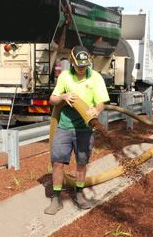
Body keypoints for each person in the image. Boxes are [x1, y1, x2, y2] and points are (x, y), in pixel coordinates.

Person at [44, 45, 110, 215]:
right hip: (65, 126)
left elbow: (101, 101)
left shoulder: (95, 78)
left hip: (85, 128)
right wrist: (64, 97)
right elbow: (52, 99)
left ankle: (79, 194)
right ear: (72, 62)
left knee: (81, 162)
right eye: (79, 66)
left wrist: (97, 110)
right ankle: (56, 199)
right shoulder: (65, 77)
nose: (82, 69)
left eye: (84, 66)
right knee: (57, 162)